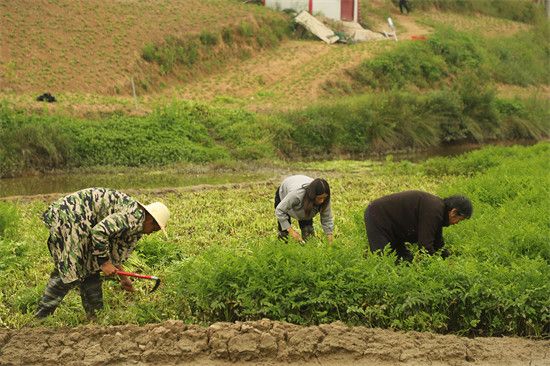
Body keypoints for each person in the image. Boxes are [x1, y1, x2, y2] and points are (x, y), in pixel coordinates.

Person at [35, 187, 170, 319]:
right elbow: (99, 232)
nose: (152, 232)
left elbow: (116, 251)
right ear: (150, 220)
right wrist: (104, 262)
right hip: (71, 216)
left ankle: (95, 316)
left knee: (90, 266)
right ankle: (40, 317)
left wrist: (123, 278)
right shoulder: (133, 217)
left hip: (84, 222)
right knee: (71, 268)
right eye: (154, 229)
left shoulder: (137, 227)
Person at [364, 190, 472, 262]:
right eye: (459, 219)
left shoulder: (438, 210)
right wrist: (438, 266)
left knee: (406, 260)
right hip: (378, 215)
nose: (457, 223)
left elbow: (438, 242)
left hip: (396, 228)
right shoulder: (435, 209)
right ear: (453, 212)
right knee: (382, 261)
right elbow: (425, 245)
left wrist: (450, 259)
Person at [275, 175, 334, 244]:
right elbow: (280, 210)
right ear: (312, 195)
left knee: (308, 235)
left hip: (306, 200)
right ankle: (283, 247)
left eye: (324, 198)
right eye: (319, 198)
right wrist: (292, 232)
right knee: (284, 233)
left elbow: (327, 217)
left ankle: (307, 246)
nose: (322, 201)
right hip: (286, 190)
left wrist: (330, 242)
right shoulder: (296, 195)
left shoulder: (324, 198)